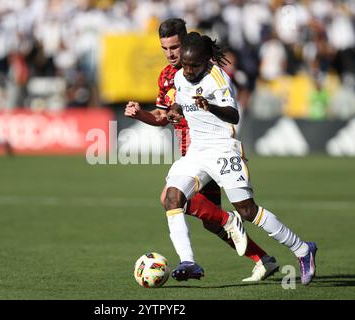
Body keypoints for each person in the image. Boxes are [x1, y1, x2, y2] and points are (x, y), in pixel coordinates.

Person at [125, 18, 279, 282]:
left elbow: (225, 108)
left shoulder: (205, 71)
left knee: (171, 199)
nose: (170, 53)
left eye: (174, 47)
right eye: (164, 48)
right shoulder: (166, 76)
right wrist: (140, 114)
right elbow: (162, 116)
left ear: (186, 43)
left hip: (212, 149)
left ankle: (227, 227)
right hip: (192, 152)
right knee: (209, 220)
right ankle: (263, 259)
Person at [165, 31, 317, 285]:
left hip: (224, 149)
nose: (189, 70)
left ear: (206, 61)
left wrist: (209, 106)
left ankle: (302, 249)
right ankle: (188, 262)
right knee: (172, 198)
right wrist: (175, 110)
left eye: (195, 66)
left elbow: (233, 115)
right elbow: (182, 102)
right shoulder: (180, 76)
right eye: (186, 64)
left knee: (247, 211)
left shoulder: (218, 78)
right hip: (198, 151)